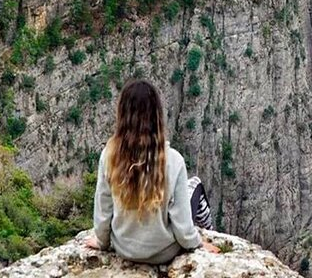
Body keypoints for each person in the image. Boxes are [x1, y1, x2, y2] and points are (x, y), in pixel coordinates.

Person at [84, 79, 220, 263]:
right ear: (157, 116)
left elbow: (103, 208)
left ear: (122, 115)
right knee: (196, 186)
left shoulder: (109, 156)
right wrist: (197, 243)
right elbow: (182, 224)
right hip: (164, 252)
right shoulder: (174, 161)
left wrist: (101, 241)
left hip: (124, 249)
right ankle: (210, 229)